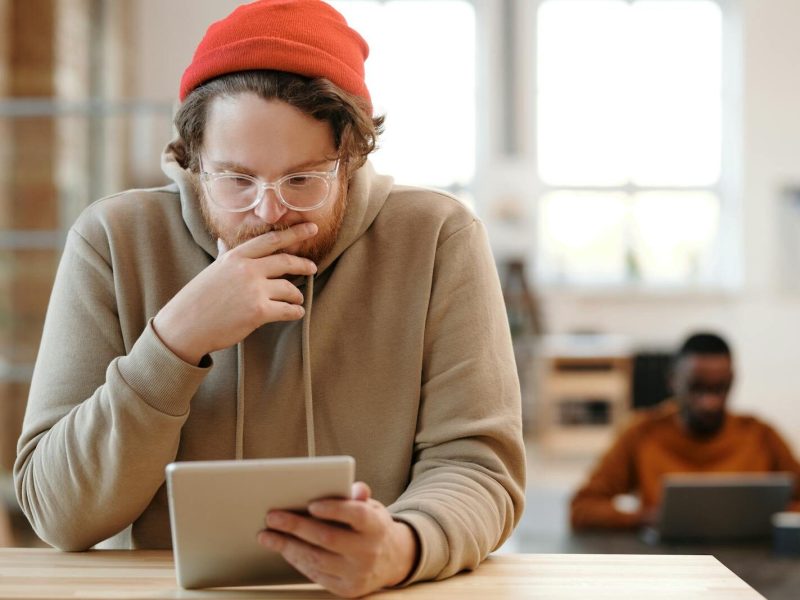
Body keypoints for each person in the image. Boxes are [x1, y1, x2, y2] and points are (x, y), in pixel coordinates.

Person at [13, 1, 526, 596]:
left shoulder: (438, 237)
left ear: (351, 157)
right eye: (235, 180)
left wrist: (403, 546)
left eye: (303, 180)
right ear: (192, 159)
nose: (268, 210)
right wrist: (174, 343)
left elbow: (477, 467)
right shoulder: (113, 239)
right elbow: (57, 515)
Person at [570, 332, 800, 530]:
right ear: (673, 381)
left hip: (751, 566)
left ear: (732, 381)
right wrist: (645, 518)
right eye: (697, 388)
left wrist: (769, 516)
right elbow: (583, 508)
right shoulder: (642, 433)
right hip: (668, 563)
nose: (710, 403)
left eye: (720, 389)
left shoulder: (760, 435)